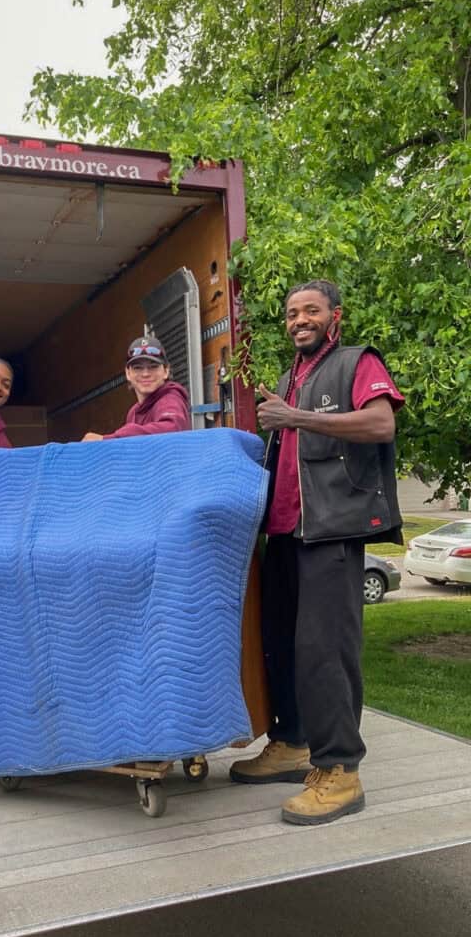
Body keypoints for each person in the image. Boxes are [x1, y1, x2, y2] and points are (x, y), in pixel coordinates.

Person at [229, 280, 404, 826]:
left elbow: (380, 423)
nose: (299, 319)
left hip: (331, 531)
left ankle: (341, 771)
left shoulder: (357, 362)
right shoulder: (289, 378)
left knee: (324, 650)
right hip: (284, 534)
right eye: (291, 313)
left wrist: (296, 418)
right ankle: (292, 743)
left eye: (310, 310)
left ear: (335, 316)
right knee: (280, 644)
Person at [82, 336, 190, 441]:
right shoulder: (133, 412)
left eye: (153, 366)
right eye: (138, 368)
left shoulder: (169, 399)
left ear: (166, 371)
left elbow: (172, 429)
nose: (145, 374)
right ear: (128, 373)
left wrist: (106, 440)